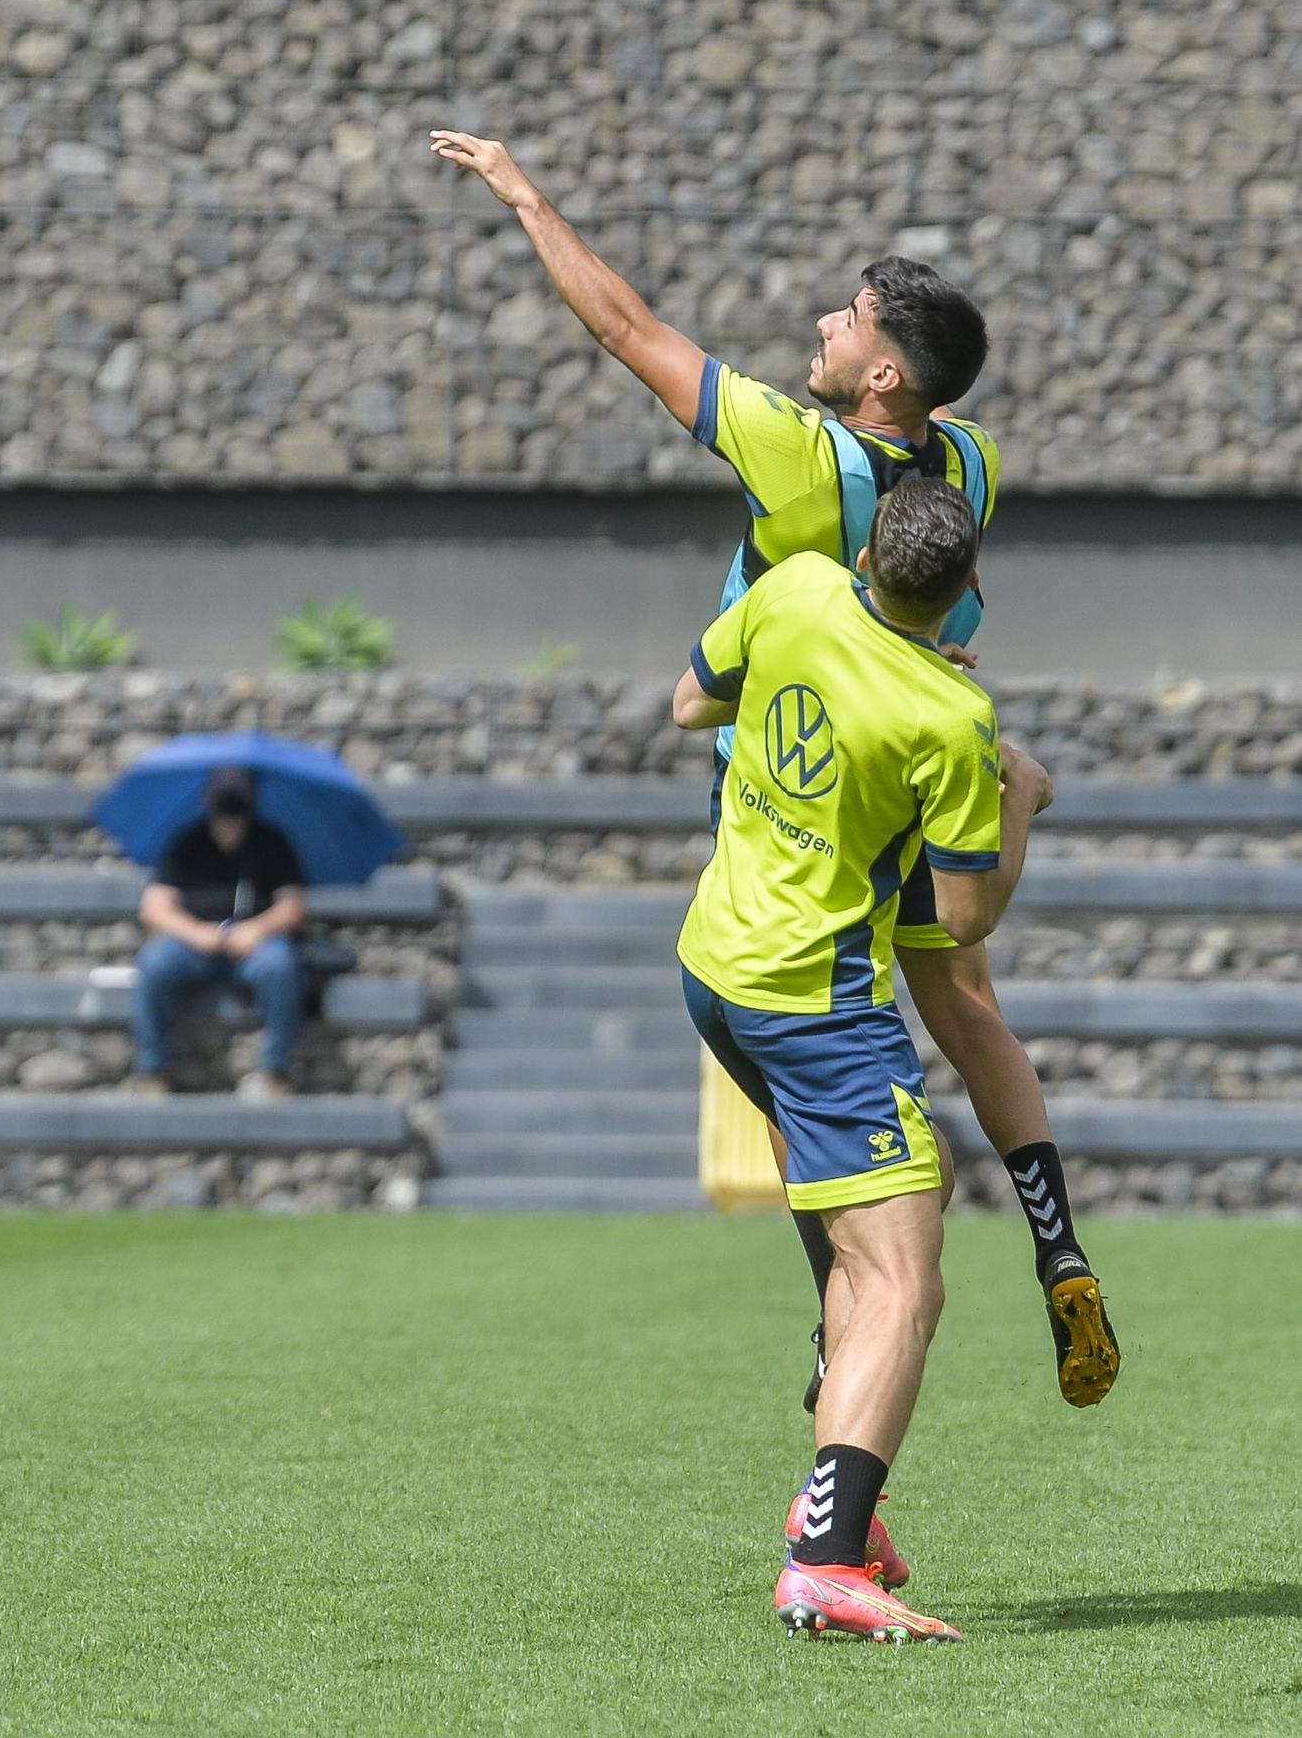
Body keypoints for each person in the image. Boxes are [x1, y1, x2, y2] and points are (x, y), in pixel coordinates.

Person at [428, 126, 1119, 1411]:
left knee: (801, 1057)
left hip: (802, 794)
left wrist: (527, 196)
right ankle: (1061, 1246)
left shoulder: (804, 456)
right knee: (963, 999)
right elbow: (952, 588)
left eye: (849, 319)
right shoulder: (971, 461)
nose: (823, 323)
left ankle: (834, 1314)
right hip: (921, 766)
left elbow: (628, 329)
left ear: (886, 374)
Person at [674, 478, 1055, 1640]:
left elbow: (692, 703)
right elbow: (965, 918)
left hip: (715, 967)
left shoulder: (792, 587)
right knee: (905, 1281)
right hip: (821, 1006)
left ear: (870, 551)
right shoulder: (950, 719)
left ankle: (845, 1500)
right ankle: (827, 1555)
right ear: (969, 591)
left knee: (904, 1198)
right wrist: (1022, 801)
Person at [133, 768, 306, 1100]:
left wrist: (257, 929)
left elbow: (293, 905)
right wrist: (196, 932)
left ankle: (276, 1070)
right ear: (207, 797)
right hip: (194, 945)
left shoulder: (272, 841)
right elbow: (154, 907)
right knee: (154, 963)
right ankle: (153, 1070)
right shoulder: (187, 841)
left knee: (280, 965)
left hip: (255, 946)